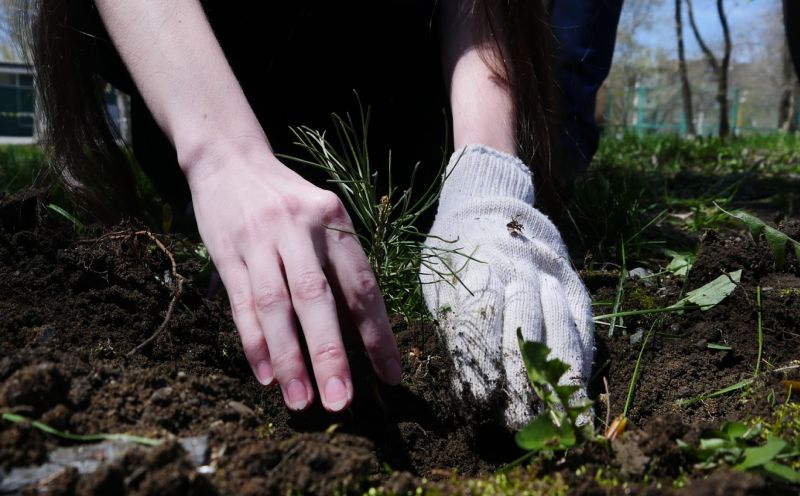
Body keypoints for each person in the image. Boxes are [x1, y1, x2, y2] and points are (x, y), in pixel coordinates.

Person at [26, 0, 609, 429]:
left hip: (416, 51)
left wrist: (490, 185)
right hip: (216, 49)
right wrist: (221, 154)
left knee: (557, 137)